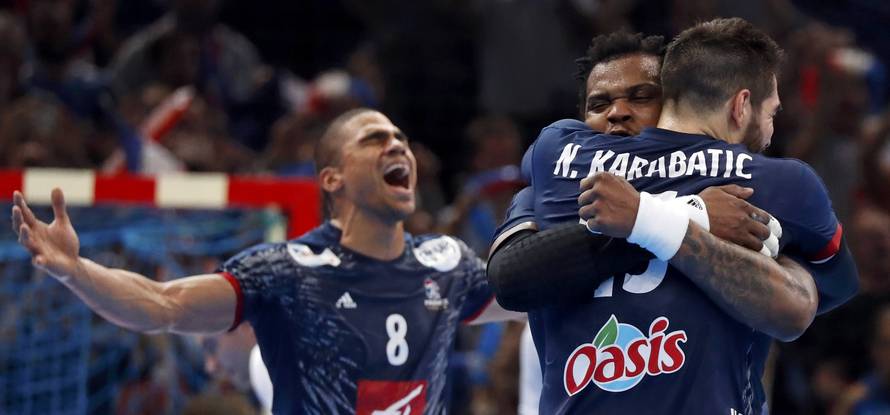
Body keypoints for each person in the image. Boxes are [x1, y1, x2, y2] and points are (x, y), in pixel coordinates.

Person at [11, 108, 521, 414]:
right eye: (375, 139)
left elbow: (533, 296)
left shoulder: (448, 266)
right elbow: (162, 304)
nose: (398, 146)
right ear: (332, 179)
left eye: (401, 140)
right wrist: (76, 271)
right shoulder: (286, 271)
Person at [489, 19, 859, 414]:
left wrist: (648, 218)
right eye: (599, 104)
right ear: (741, 105)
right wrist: (687, 214)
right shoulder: (773, 183)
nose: (617, 113)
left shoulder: (556, 153)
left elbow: (800, 306)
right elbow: (835, 285)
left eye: (640, 96)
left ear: (673, 97)